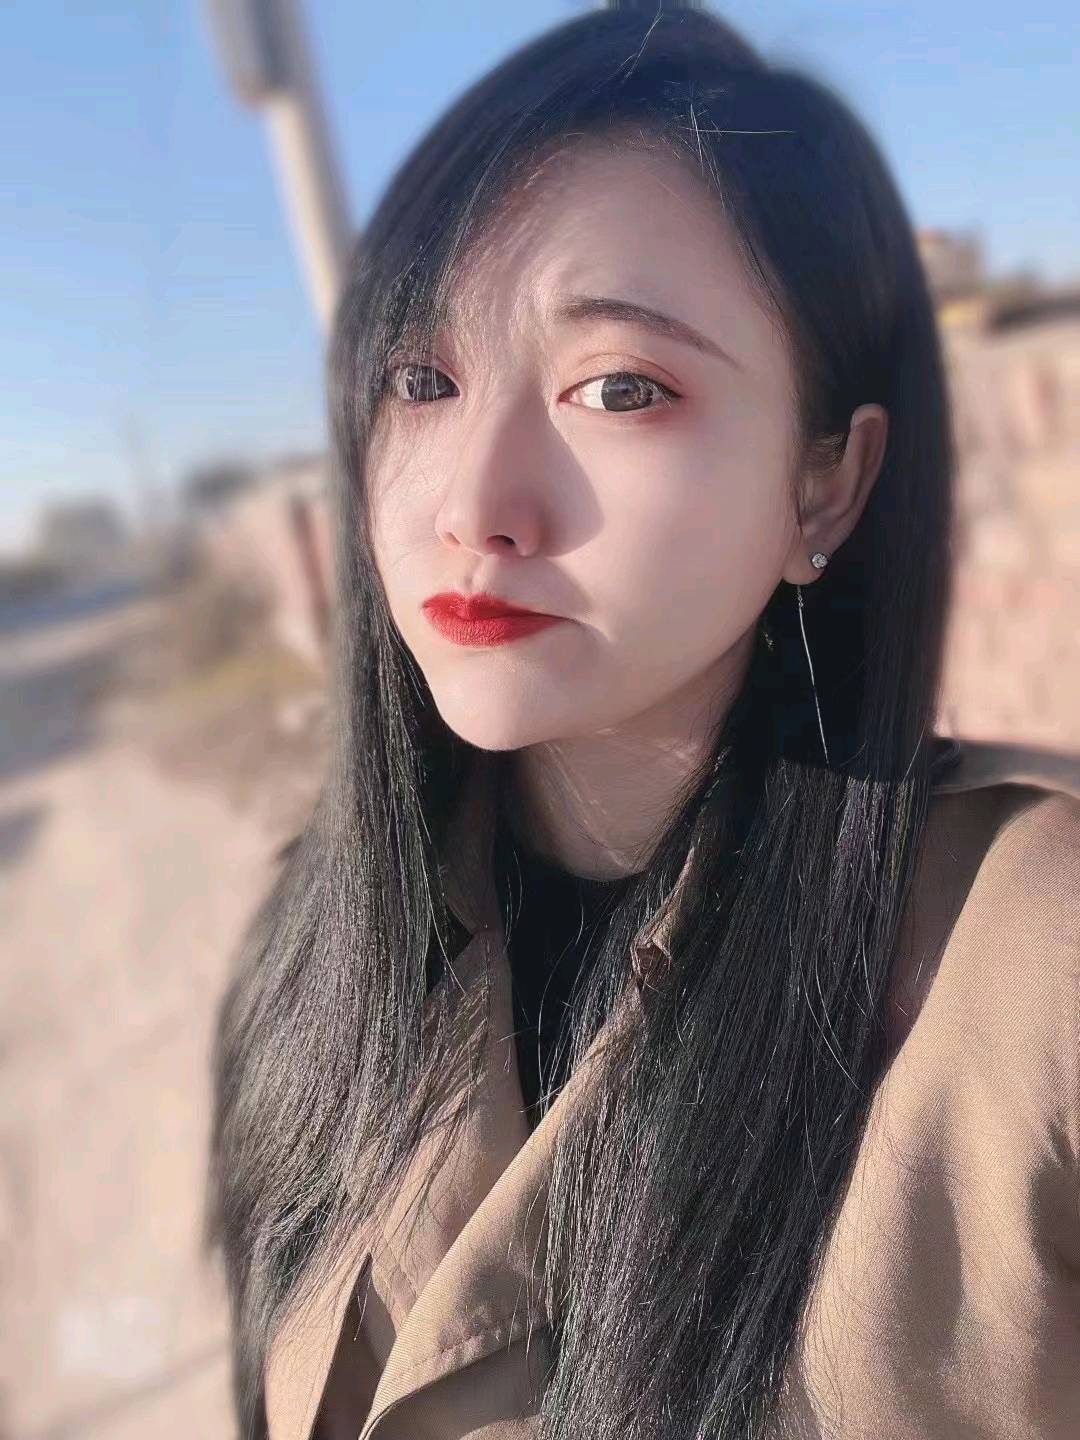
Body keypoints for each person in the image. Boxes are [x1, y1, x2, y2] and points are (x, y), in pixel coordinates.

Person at [204, 7, 1080, 1439]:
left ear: (825, 484)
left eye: (620, 388)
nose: (474, 504)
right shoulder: (320, 950)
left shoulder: (1035, 965)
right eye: (422, 380)